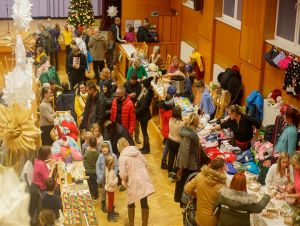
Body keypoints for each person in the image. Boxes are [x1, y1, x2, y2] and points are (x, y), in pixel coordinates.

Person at [118, 138, 155, 226]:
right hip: (143, 179)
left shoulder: (122, 157)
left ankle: (131, 224)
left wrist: (125, 180)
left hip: (133, 181)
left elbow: (123, 174)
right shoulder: (137, 152)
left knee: (131, 202)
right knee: (144, 202)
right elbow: (145, 163)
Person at [184, 157, 227, 226]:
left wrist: (198, 194)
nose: (226, 169)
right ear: (220, 169)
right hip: (212, 220)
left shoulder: (200, 176)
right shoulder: (221, 186)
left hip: (199, 216)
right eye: (224, 167)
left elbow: (187, 188)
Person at [175, 113, 200, 205]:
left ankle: (182, 199)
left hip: (187, 162)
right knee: (185, 182)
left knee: (184, 181)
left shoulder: (188, 132)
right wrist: (183, 167)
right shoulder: (189, 134)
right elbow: (185, 151)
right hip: (188, 164)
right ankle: (182, 201)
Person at [96, 141, 119, 213]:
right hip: (103, 179)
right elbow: (97, 166)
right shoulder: (100, 156)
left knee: (110, 193)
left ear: (109, 148)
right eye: (102, 147)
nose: (104, 149)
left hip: (110, 179)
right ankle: (103, 203)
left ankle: (110, 205)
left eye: (105, 147)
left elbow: (116, 167)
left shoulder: (113, 156)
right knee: (103, 192)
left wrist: (113, 175)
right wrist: (99, 176)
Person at [136, 77, 154, 154]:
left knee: (144, 132)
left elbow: (144, 107)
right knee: (144, 132)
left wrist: (136, 112)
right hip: (143, 114)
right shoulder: (147, 91)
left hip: (144, 115)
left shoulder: (147, 94)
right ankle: (144, 147)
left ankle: (147, 149)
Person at [124, 73, 142, 144]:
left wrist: (138, 100)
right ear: (130, 79)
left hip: (136, 107)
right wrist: (129, 95)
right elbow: (122, 94)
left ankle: (136, 138)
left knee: (137, 124)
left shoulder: (139, 85)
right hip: (128, 107)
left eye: (135, 81)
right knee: (128, 124)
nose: (133, 82)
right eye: (132, 80)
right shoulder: (126, 84)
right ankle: (128, 138)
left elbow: (140, 95)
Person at [168, 106, 184, 181]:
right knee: (178, 158)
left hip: (170, 139)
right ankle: (174, 173)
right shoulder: (181, 123)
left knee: (171, 156)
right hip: (178, 142)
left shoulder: (170, 119)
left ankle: (169, 171)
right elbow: (182, 134)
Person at [159, 94, 174, 169]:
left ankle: (163, 161)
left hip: (165, 130)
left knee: (167, 146)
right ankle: (163, 162)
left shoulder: (163, 108)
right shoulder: (169, 112)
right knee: (167, 147)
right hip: (168, 131)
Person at [105, 155, 119, 222]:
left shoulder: (108, 169)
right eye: (113, 163)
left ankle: (112, 212)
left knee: (112, 201)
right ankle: (109, 216)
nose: (114, 164)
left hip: (111, 189)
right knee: (110, 202)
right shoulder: (110, 172)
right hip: (110, 189)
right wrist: (116, 179)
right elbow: (111, 183)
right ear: (111, 164)